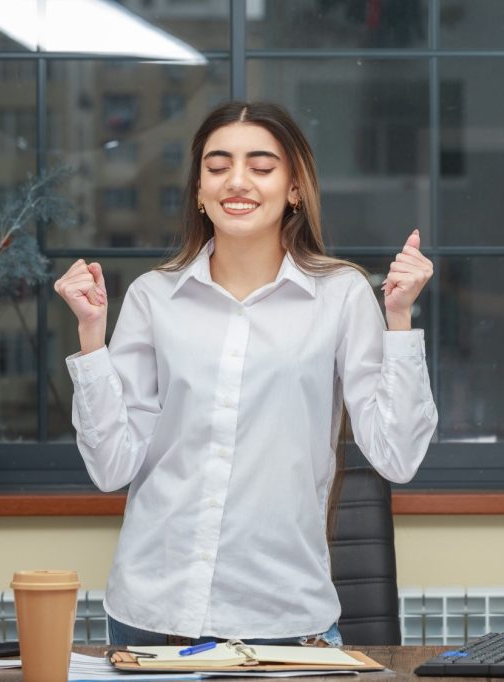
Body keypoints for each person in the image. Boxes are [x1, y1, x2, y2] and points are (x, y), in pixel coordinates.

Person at [53, 101, 437, 648]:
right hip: (152, 612)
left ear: (295, 188)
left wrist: (399, 320)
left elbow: (397, 456)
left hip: (284, 616)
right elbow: (112, 467)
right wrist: (92, 338)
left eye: (261, 167)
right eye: (217, 167)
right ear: (199, 192)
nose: (237, 182)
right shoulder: (152, 297)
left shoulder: (341, 294)